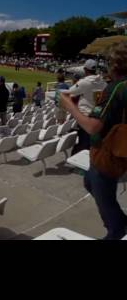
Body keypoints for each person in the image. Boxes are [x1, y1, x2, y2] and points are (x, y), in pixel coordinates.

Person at [59, 42, 127, 240]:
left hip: (108, 152)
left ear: (114, 64)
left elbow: (92, 127)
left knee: (105, 200)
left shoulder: (116, 88)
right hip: (118, 150)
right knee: (90, 182)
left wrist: (69, 107)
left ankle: (116, 230)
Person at [67, 59, 107, 154]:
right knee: (89, 143)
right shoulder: (103, 83)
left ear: (85, 69)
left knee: (84, 143)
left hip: (85, 116)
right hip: (97, 116)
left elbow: (68, 93)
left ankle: (82, 164)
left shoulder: (84, 82)